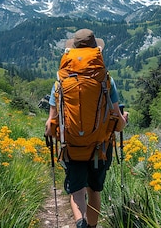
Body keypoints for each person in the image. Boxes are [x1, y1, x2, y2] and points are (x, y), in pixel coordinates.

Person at [44, 28, 128, 228]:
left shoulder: (60, 81)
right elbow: (117, 121)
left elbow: (50, 124)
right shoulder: (105, 80)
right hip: (100, 145)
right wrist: (125, 119)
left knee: (77, 191)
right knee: (94, 191)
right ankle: (91, 226)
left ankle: (79, 223)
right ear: (96, 51)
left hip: (71, 145)